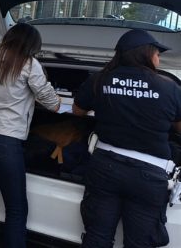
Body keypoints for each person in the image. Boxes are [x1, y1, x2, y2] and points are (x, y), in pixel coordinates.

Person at [73, 29, 181, 247]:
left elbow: (77, 111)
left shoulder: (100, 79)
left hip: (104, 167)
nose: (158, 59)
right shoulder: (169, 88)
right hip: (149, 176)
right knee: (139, 243)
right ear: (146, 54)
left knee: (97, 237)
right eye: (157, 54)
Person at [0, 23, 60, 248]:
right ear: (31, 45)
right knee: (16, 209)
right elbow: (52, 103)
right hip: (6, 140)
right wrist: (54, 98)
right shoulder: (30, 64)